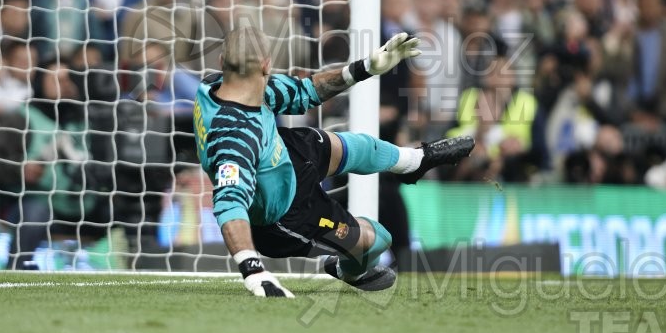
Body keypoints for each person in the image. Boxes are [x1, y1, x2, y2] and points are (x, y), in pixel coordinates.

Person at [194, 26, 474, 297]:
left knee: (354, 145)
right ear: (266, 65)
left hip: (282, 153)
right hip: (284, 213)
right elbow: (229, 203)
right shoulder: (235, 138)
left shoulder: (219, 86)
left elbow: (307, 90)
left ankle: (415, 160)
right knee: (377, 238)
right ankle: (350, 270)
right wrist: (254, 272)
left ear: (222, 62)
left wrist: (366, 68)